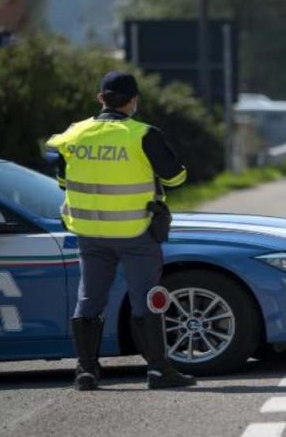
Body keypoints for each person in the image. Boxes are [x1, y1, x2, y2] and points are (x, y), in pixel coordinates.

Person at [46, 71, 196, 391]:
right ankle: (158, 370)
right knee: (146, 299)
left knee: (89, 299)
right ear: (133, 100)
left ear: (101, 98)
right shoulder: (141, 134)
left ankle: (85, 372)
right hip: (135, 231)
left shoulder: (74, 134)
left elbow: (62, 182)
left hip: (89, 231)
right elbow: (176, 178)